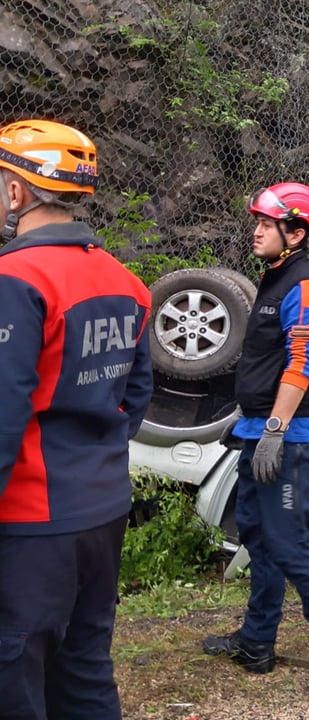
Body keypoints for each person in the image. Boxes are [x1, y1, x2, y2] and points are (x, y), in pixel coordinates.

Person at [0, 119, 153, 719]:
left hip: (31, 519)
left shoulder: (15, 280)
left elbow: (4, 418)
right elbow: (134, 400)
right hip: (102, 510)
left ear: (17, 192)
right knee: (85, 671)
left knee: (14, 679)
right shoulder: (126, 281)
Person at [201, 181, 309, 698]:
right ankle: (256, 641)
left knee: (288, 541)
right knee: (257, 534)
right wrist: (248, 421)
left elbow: (301, 362)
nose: (257, 231)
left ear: (296, 231)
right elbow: (266, 365)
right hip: (260, 429)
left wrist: (273, 429)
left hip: (289, 436)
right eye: (259, 222)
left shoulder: (306, 287)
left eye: (266, 224)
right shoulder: (274, 280)